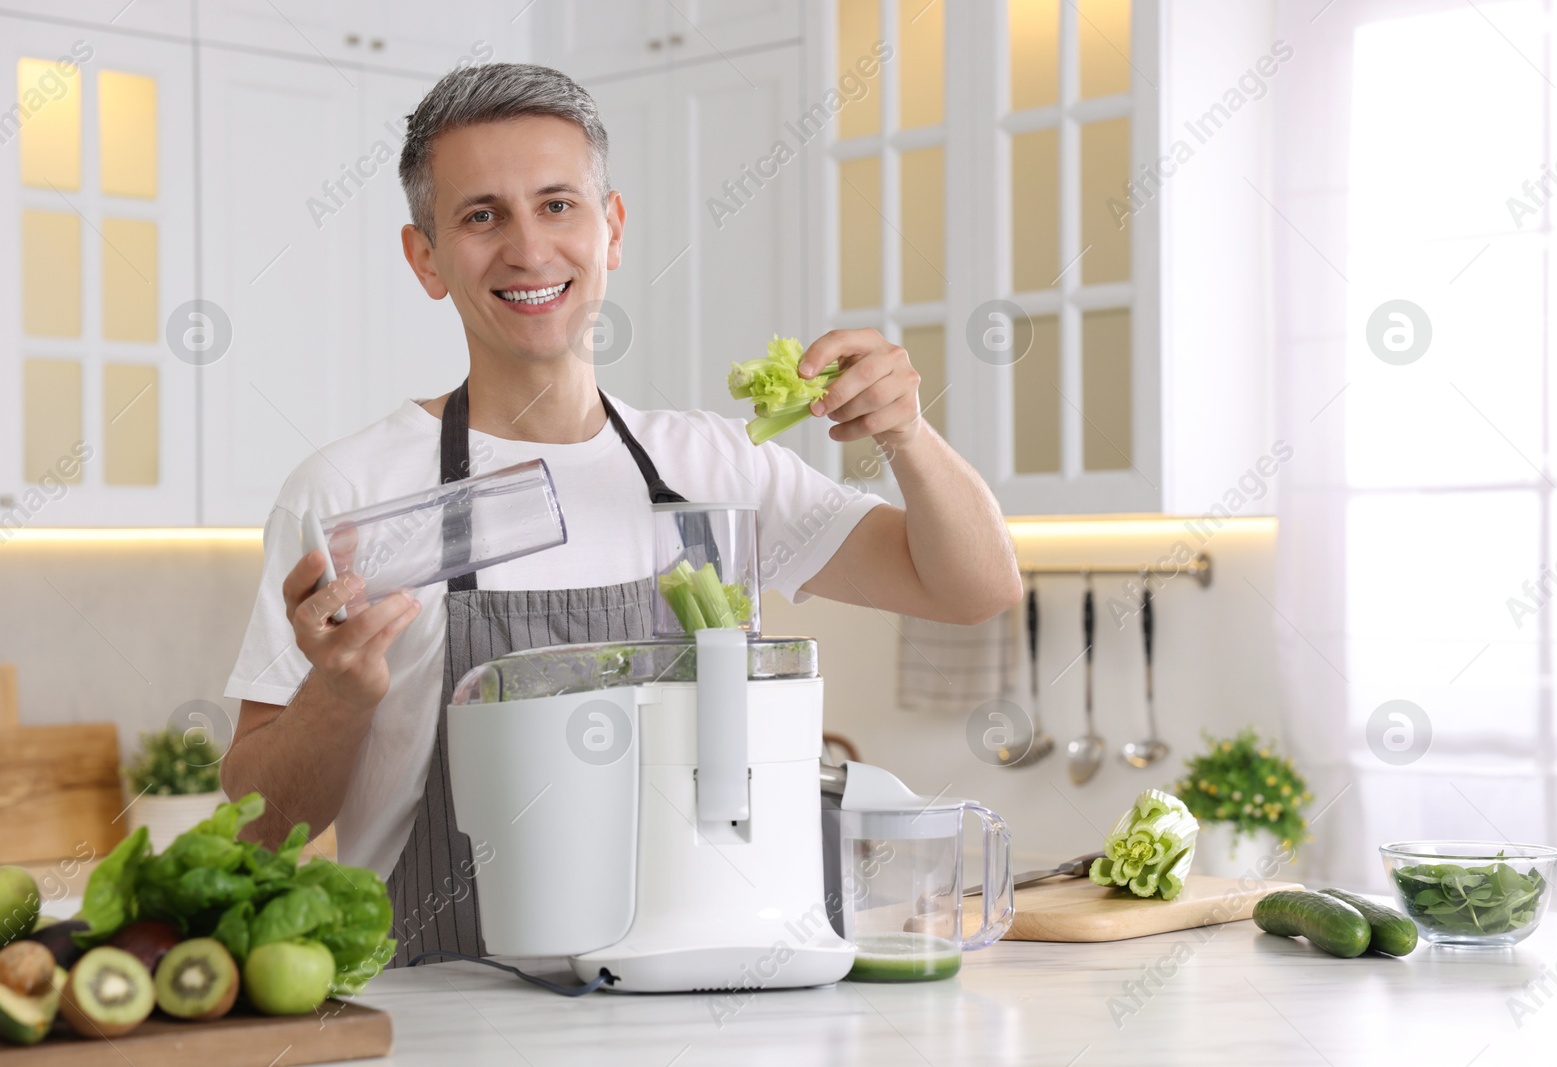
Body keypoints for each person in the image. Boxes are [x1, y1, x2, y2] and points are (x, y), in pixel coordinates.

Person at [219, 63, 1020, 964]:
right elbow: (261, 831)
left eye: (559, 204)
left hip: (704, 992)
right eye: (481, 215)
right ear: (426, 259)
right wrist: (335, 697)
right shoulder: (351, 496)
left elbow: (976, 587)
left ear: (614, 231)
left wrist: (909, 434)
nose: (528, 249)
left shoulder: (714, 469)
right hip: (453, 1011)